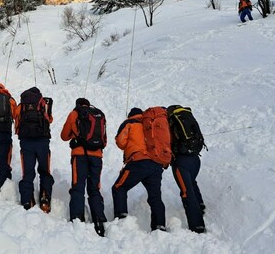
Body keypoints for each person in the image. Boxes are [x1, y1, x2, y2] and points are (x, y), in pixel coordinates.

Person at [112, 107, 166, 231]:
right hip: (156, 164)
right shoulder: (151, 124)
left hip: (138, 162)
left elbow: (120, 142)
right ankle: (159, 225)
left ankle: (122, 219)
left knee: (119, 187)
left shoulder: (129, 123)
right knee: (155, 197)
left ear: (130, 115)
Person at [60, 98, 107, 237]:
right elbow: (104, 139)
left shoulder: (75, 113)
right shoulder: (99, 115)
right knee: (94, 188)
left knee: (78, 186)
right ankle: (99, 219)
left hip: (80, 155)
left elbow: (64, 136)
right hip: (97, 156)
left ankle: (77, 218)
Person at [167, 105, 206, 233]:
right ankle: (200, 205)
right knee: (191, 182)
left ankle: (197, 226)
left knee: (186, 192)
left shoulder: (172, 123)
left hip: (181, 162)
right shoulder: (187, 118)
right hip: (195, 159)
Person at [14, 87, 54, 212]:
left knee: (28, 172)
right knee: (44, 171)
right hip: (42, 142)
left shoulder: (21, 106)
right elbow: (50, 120)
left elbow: (16, 124)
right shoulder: (43, 103)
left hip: (26, 143)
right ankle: (45, 198)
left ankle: (27, 200)